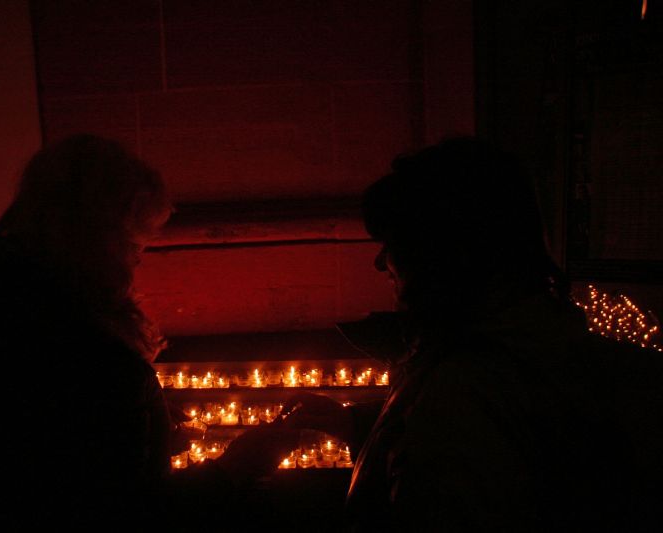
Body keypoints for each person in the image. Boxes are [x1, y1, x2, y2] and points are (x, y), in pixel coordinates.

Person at [281, 137, 662, 531]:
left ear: (442, 253)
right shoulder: (557, 348)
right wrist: (358, 424)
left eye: (393, 244)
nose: (381, 263)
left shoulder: (461, 396)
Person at [0, 134, 294, 531]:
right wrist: (235, 467)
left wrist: (150, 429)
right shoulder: (76, 340)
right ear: (94, 238)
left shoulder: (0, 292)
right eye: (133, 245)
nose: (136, 262)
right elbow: (123, 513)